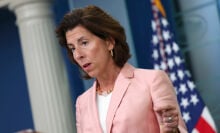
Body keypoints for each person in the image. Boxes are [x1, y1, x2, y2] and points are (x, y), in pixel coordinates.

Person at [56, 5, 187, 133]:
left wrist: (171, 130)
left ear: (109, 42)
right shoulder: (82, 103)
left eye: (84, 43)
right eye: (72, 48)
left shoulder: (152, 81)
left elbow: (175, 129)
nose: (78, 55)